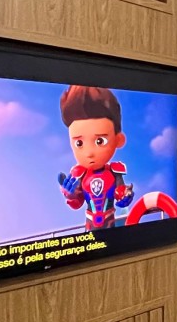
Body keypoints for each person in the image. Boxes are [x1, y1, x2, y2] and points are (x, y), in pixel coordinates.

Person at [57, 86, 133, 230]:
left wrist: (125, 195)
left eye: (100, 141)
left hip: (110, 223)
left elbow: (121, 194)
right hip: (90, 225)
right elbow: (77, 202)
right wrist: (71, 195)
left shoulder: (114, 171)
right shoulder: (80, 174)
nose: (89, 153)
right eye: (79, 143)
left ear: (118, 140)